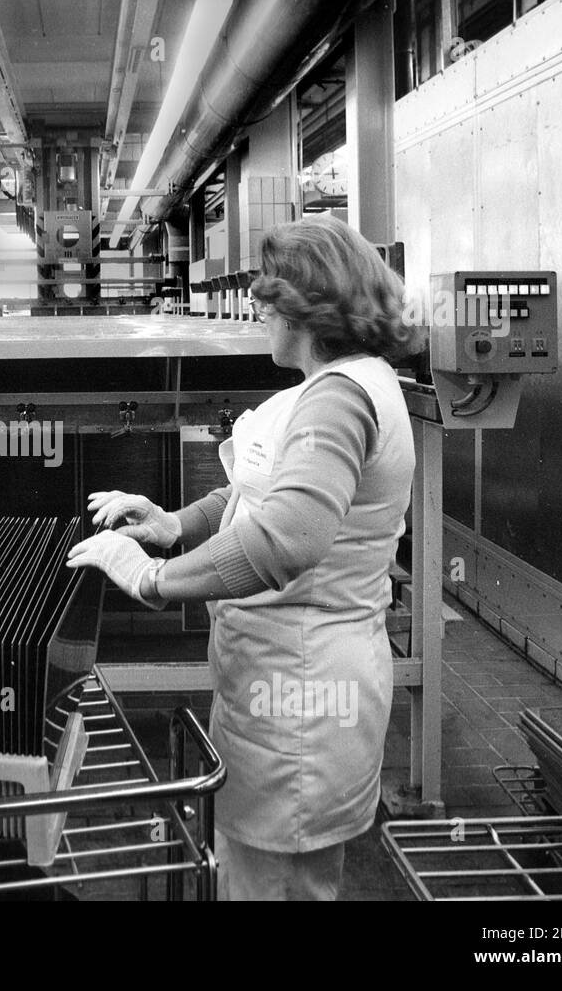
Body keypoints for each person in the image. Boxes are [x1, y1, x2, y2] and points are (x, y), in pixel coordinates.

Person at [67, 215, 418, 901]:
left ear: (307, 309)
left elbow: (288, 535)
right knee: (280, 875)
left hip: (300, 698)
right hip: (288, 683)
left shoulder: (340, 399)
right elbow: (257, 492)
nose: (255, 306)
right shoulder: (341, 384)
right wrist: (174, 524)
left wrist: (153, 579)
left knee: (266, 883)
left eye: (267, 294)